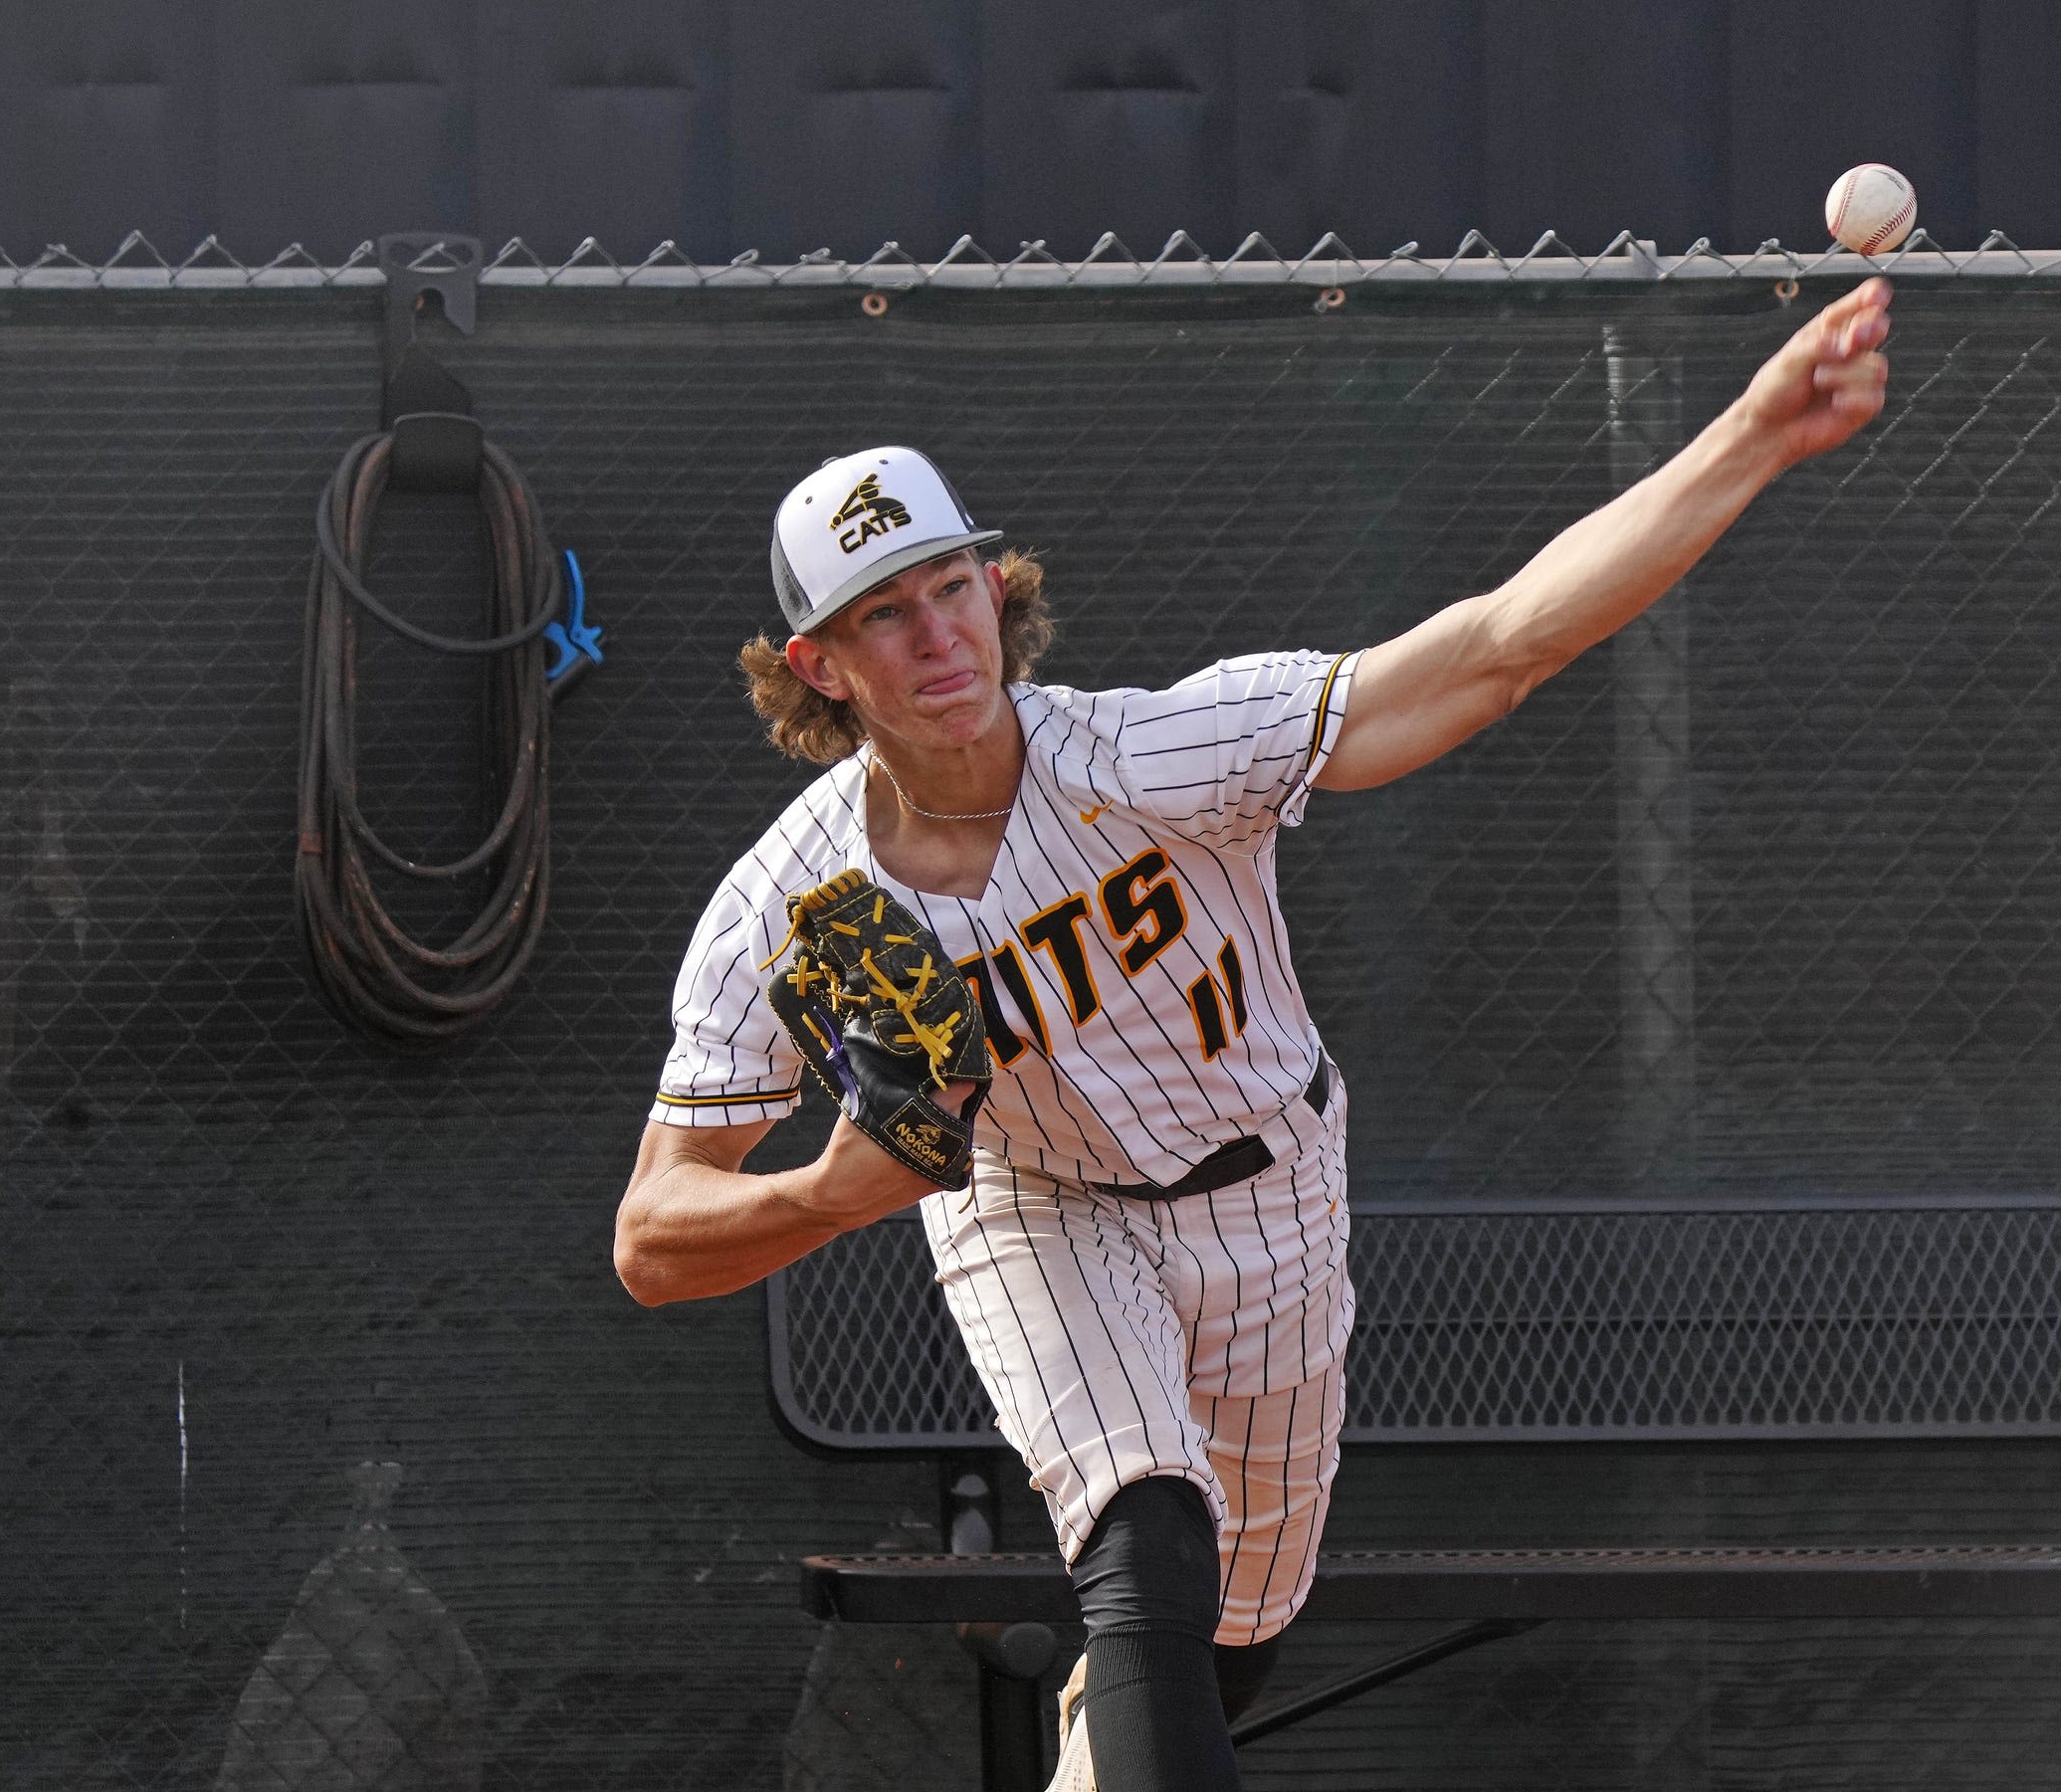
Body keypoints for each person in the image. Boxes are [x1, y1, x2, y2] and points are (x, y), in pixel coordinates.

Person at [612, 278, 1894, 1790]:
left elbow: (1493, 649)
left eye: (950, 585)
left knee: (1231, 1630)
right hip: (1037, 1208)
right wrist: (831, 1194)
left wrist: (1747, 435)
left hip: (1275, 1186)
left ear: (995, 589)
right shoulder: (785, 901)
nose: (934, 632)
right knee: (1143, 1533)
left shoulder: (1151, 755)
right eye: (879, 614)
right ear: (819, 666)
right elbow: (652, 1234)